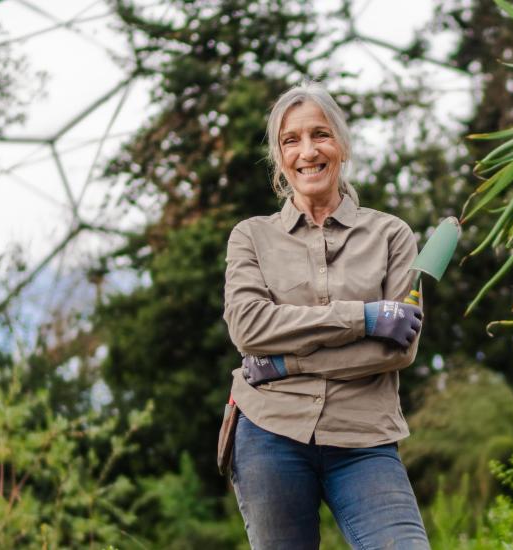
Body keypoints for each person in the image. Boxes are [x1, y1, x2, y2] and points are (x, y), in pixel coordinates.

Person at [221, 80, 430, 549]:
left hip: (364, 440)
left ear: (342, 145)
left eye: (320, 135)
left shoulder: (392, 235)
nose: (307, 151)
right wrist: (364, 317)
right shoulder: (251, 237)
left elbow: (398, 347)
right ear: (278, 157)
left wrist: (282, 363)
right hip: (268, 431)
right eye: (290, 140)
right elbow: (249, 327)